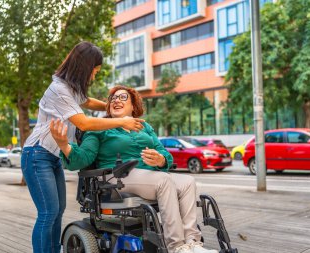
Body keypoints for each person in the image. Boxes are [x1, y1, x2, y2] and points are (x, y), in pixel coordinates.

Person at [50, 86, 218, 253]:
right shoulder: (100, 128)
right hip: (116, 178)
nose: (116, 100)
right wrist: (64, 145)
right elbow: (83, 158)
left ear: (133, 106)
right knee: (164, 180)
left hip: (150, 175)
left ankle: (192, 242)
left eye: (123, 97)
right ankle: (177, 247)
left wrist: (161, 160)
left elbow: (164, 152)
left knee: (188, 181)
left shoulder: (145, 127)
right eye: (112, 98)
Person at [21, 42, 144, 253]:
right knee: (48, 213)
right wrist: (121, 121)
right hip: (36, 154)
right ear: (85, 67)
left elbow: (88, 102)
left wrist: (112, 104)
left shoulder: (70, 88)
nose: (94, 76)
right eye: (94, 71)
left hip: (52, 156)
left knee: (57, 211)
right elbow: (84, 123)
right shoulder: (59, 90)